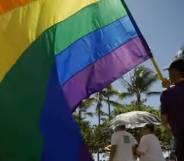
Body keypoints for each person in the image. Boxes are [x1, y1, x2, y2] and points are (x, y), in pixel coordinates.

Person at [160, 58, 184, 161]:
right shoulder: (169, 93)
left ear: (176, 71)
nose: (168, 74)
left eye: (170, 71)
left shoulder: (167, 94)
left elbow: (164, 120)